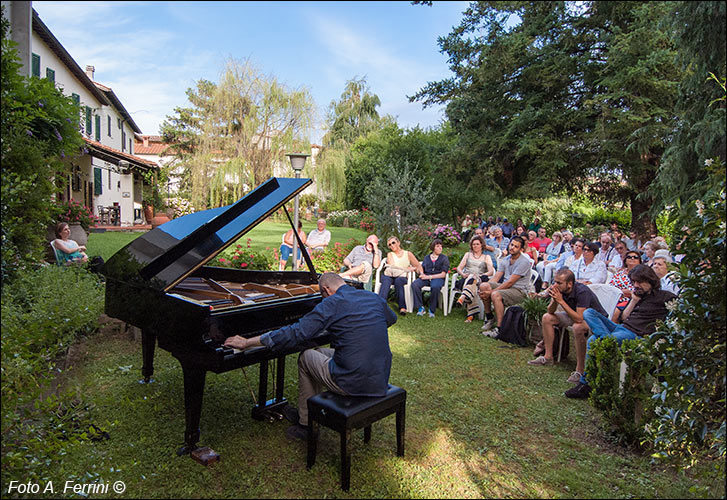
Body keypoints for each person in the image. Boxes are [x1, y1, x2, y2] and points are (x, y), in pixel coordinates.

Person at [223, 273, 396, 439]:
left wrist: (247, 343)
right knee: (319, 353)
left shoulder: (331, 303)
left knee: (306, 357)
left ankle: (306, 425)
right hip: (379, 375)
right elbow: (391, 319)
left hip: (353, 381)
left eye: (321, 295)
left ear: (326, 290)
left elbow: (295, 333)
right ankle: (309, 411)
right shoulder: (372, 297)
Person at [566, 265, 678, 399]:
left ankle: (586, 384)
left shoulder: (664, 296)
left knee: (592, 340)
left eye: (640, 282)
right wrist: (634, 301)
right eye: (634, 282)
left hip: (636, 334)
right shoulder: (638, 296)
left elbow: (679, 309)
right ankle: (606, 339)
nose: (636, 285)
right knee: (589, 313)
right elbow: (624, 317)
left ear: (651, 281)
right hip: (621, 328)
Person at [528, 269, 607, 385]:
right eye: (554, 282)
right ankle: (548, 357)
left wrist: (561, 301)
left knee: (577, 327)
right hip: (575, 314)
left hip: (594, 320)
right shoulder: (560, 290)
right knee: (547, 318)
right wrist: (555, 300)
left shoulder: (582, 292)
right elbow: (550, 311)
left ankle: (580, 370)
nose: (555, 285)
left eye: (559, 283)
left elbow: (580, 318)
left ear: (569, 284)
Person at [478, 236, 532, 337]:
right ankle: (490, 317)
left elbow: (510, 283)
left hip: (519, 291)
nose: (512, 248)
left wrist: (490, 293)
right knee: (484, 285)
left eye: (516, 246)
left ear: (521, 250)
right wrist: (485, 290)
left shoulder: (523, 262)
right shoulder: (506, 259)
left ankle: (500, 329)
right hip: (507, 288)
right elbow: (496, 277)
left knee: (495, 294)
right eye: (511, 245)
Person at [454, 236, 495, 322]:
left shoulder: (486, 257)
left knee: (474, 282)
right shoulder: (467, 255)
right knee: (472, 282)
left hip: (480, 279)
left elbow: (491, 271)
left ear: (481, 245)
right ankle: (470, 315)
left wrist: (482, 275)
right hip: (467, 278)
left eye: (477, 244)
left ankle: (463, 297)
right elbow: (459, 268)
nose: (475, 246)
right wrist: (463, 274)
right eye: (473, 244)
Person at [378, 236, 421, 315]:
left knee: (399, 281)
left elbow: (418, 266)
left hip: (401, 277)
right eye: (389, 245)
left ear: (398, 243)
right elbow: (393, 267)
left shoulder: (408, 254)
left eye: (393, 243)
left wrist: (420, 273)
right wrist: (406, 269)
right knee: (385, 280)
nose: (392, 245)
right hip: (390, 274)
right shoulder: (390, 254)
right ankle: (380, 305)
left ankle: (402, 307)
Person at [411, 239, 450, 318]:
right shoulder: (427, 258)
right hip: (426, 277)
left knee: (435, 287)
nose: (440, 248)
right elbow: (421, 268)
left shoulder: (444, 258)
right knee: (415, 284)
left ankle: (432, 310)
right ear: (433, 247)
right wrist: (421, 273)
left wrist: (429, 277)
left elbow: (443, 274)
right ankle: (420, 307)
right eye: (437, 246)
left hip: (438, 278)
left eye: (441, 246)